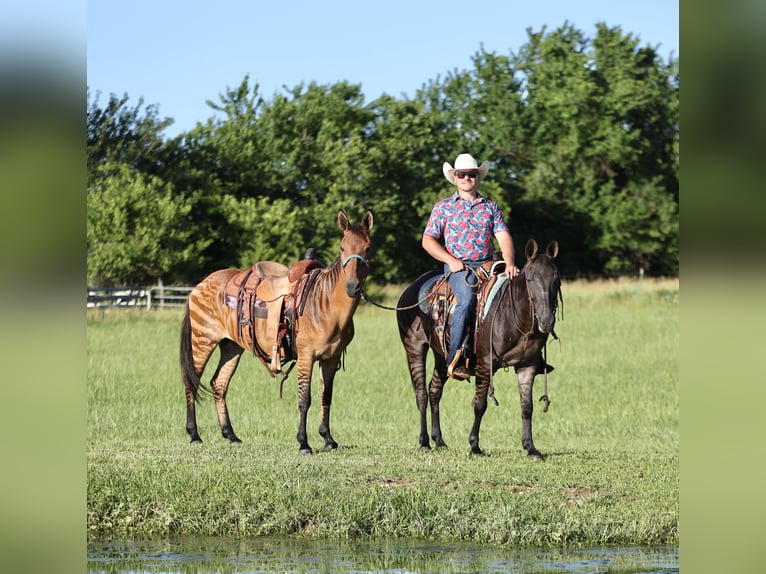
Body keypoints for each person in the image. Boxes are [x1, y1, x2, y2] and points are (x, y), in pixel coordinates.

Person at [422, 153, 520, 380]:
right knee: (465, 300)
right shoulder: (443, 207)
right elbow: (428, 240)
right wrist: (450, 261)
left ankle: (526, 350)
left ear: (478, 177)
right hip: (459, 268)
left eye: (471, 174)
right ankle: (455, 358)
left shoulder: (491, 207)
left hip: (488, 264)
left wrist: (511, 263)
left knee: (518, 289)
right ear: (455, 178)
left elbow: (503, 237)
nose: (467, 178)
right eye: (462, 174)